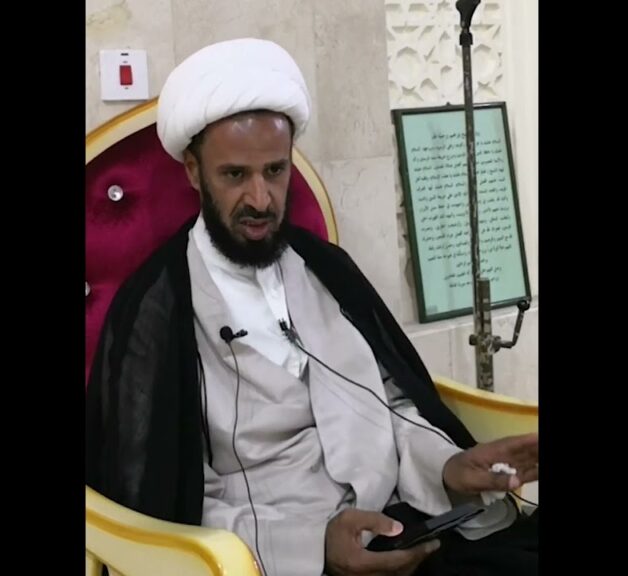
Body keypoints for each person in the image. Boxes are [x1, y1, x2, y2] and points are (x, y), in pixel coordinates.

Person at [85, 37, 539, 576]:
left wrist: (447, 466)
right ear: (193, 171)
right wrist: (313, 546)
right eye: (235, 175)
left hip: (404, 525)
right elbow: (164, 501)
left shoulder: (326, 268)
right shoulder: (155, 312)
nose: (260, 199)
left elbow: (392, 402)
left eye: (275, 171)